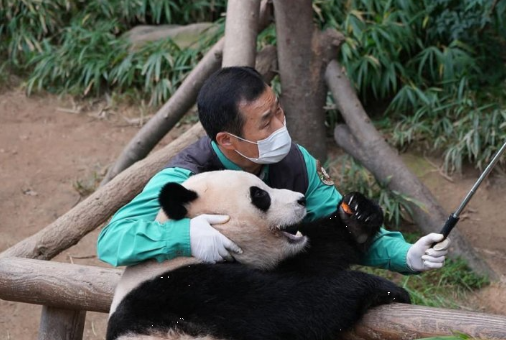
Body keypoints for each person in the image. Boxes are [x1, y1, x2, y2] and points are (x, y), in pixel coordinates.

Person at [97, 66, 450, 272]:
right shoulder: (186, 179)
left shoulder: (295, 162)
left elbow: (342, 227)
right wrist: (183, 237)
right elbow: (112, 240)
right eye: (266, 122)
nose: (281, 126)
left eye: (278, 110)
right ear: (229, 141)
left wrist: (406, 254)